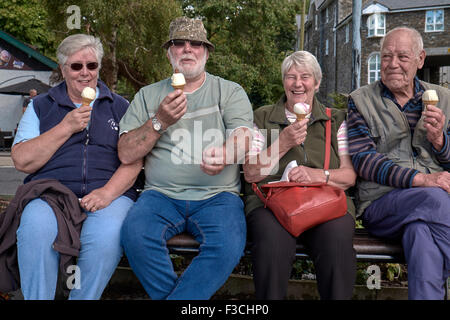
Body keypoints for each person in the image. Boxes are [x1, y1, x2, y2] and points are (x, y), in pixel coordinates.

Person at [118, 16, 253, 300]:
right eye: (179, 43)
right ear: (169, 52)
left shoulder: (229, 91)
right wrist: (159, 121)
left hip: (218, 195)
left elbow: (244, 135)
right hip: (161, 195)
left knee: (228, 245)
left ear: (206, 52)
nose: (187, 49)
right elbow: (126, 151)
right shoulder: (148, 95)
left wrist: (227, 153)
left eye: (196, 44)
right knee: (135, 235)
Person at [10, 34, 142, 300]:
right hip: (50, 194)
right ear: (63, 69)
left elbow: (134, 160)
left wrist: (107, 193)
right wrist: (66, 126)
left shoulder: (120, 106)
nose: (85, 73)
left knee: (107, 237)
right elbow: (22, 160)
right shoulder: (40, 105)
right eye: (76, 66)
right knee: (34, 227)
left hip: (109, 194)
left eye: (91, 66)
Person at [243, 51, 357, 300]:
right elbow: (251, 174)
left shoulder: (336, 120)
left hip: (326, 201)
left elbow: (348, 176)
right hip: (270, 203)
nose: (297, 84)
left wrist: (318, 175)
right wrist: (282, 143)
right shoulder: (262, 118)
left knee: (336, 243)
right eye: (291, 77)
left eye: (305, 77)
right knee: (271, 244)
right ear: (284, 82)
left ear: (317, 82)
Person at [347, 27, 450, 300]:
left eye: (402, 57)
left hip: (431, 211)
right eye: (386, 56)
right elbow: (364, 160)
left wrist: (440, 140)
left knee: (422, 237)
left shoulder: (444, 99)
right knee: (436, 199)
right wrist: (423, 180)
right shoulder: (361, 101)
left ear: (421, 59)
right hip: (382, 204)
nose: (393, 64)